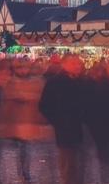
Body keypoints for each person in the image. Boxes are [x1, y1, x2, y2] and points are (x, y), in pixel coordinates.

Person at [0, 58, 49, 183]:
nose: (23, 70)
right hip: (14, 122)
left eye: (25, 68)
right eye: (20, 68)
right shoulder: (11, 82)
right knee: (14, 148)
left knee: (25, 149)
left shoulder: (35, 81)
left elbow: (39, 99)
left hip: (27, 122)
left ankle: (24, 172)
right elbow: (5, 100)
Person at [39, 55, 88, 184]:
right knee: (67, 161)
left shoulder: (83, 81)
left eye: (78, 63)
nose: (77, 66)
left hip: (81, 126)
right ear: (64, 65)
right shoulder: (55, 82)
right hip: (64, 127)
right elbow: (44, 105)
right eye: (73, 63)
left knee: (79, 161)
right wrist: (57, 120)